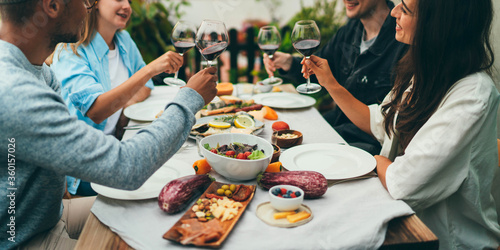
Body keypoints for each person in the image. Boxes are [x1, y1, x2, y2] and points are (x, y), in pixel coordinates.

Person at [0, 0, 218, 248]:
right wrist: (189, 100)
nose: (87, 9)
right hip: (22, 239)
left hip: (51, 216)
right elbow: (127, 166)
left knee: (168, 206)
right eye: (85, 1)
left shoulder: (37, 70)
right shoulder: (14, 91)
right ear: (52, 6)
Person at [303, 0, 500, 248]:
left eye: (405, 9)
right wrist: (330, 82)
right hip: (400, 219)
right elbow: (379, 123)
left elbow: (403, 184)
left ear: (437, 26)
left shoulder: (472, 95)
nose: (393, 12)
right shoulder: (425, 73)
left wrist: (374, 160)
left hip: (443, 240)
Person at [50, 0, 183, 196]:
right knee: (159, 184)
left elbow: (145, 86)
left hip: (116, 148)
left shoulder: (123, 40)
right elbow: (96, 111)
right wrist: (149, 70)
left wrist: (124, 108)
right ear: (93, 3)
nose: (127, 6)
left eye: (129, 1)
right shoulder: (71, 51)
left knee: (173, 170)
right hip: (85, 165)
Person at [264, 0, 407, 155]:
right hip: (335, 128)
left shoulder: (404, 40)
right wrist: (289, 62)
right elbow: (319, 68)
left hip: (366, 148)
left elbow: (392, 126)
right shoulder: (349, 31)